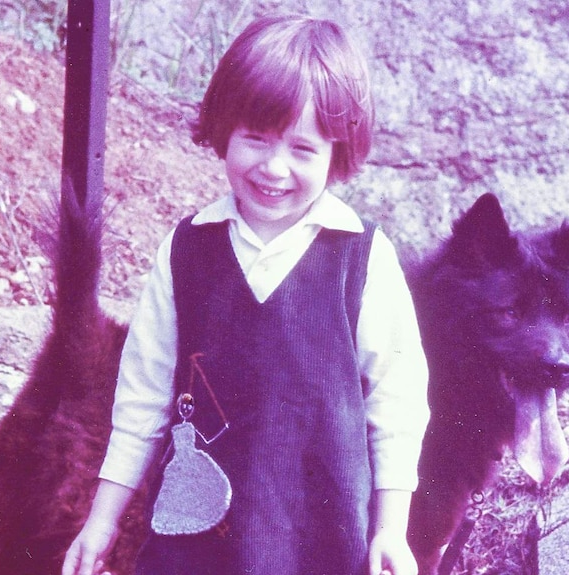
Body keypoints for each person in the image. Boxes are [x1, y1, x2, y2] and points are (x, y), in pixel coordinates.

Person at [62, 13, 429, 575]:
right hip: (197, 544)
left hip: (321, 544)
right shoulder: (186, 251)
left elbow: (396, 407)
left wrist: (391, 531)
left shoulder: (362, 259)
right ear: (222, 129)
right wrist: (102, 520)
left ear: (338, 151)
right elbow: (141, 400)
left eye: (303, 149)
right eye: (255, 139)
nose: (274, 168)